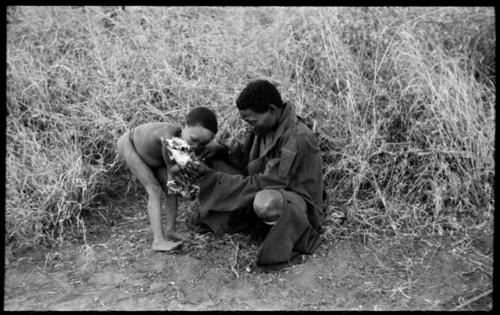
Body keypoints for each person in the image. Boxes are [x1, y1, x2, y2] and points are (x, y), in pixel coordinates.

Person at [193, 80, 325, 270]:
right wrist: (221, 150)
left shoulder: (297, 138)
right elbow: (244, 159)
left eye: (251, 120)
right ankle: (250, 220)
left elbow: (267, 183)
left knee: (265, 202)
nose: (249, 126)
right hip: (264, 184)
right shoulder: (263, 127)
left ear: (271, 110)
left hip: (295, 200)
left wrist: (214, 178)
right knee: (214, 161)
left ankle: (278, 231)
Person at [117, 107, 218, 252]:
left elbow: (175, 176)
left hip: (153, 155)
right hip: (130, 144)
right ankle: (158, 241)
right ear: (184, 125)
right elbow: (172, 171)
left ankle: (170, 230)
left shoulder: (184, 139)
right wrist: (191, 173)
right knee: (154, 190)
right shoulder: (168, 138)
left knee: (171, 191)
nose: (196, 146)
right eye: (194, 140)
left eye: (202, 144)